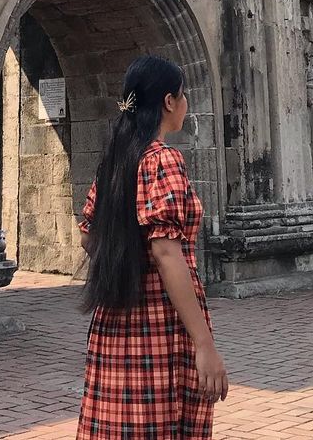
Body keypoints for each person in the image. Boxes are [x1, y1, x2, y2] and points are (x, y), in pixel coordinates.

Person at [76, 55, 228, 439]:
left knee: (117, 426)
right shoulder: (162, 160)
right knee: (158, 425)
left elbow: (89, 236)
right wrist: (204, 343)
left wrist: (126, 259)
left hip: (115, 319)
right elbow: (165, 252)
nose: (185, 102)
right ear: (167, 102)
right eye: (183, 94)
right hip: (157, 326)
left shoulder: (116, 160)